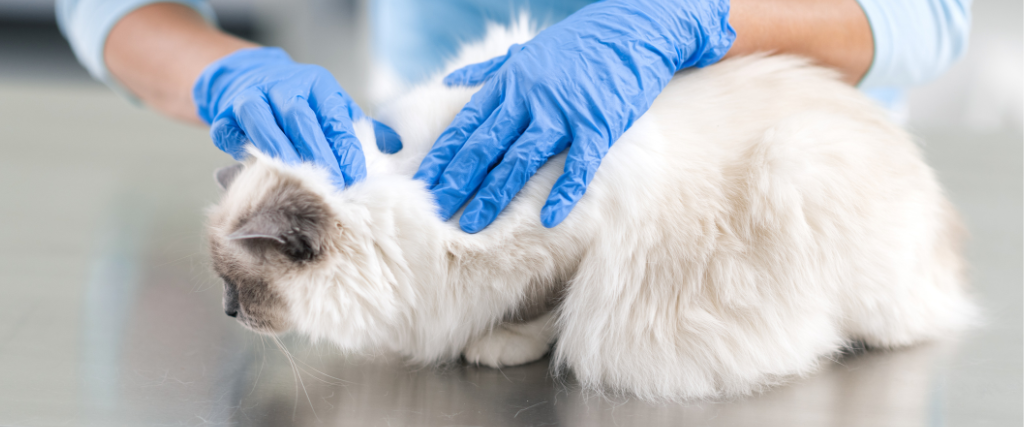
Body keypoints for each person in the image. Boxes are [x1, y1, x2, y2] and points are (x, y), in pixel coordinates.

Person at [58, 0, 971, 233]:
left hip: (778, 201)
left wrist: (690, 21)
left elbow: (929, 17)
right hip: (466, 174)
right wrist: (226, 71)